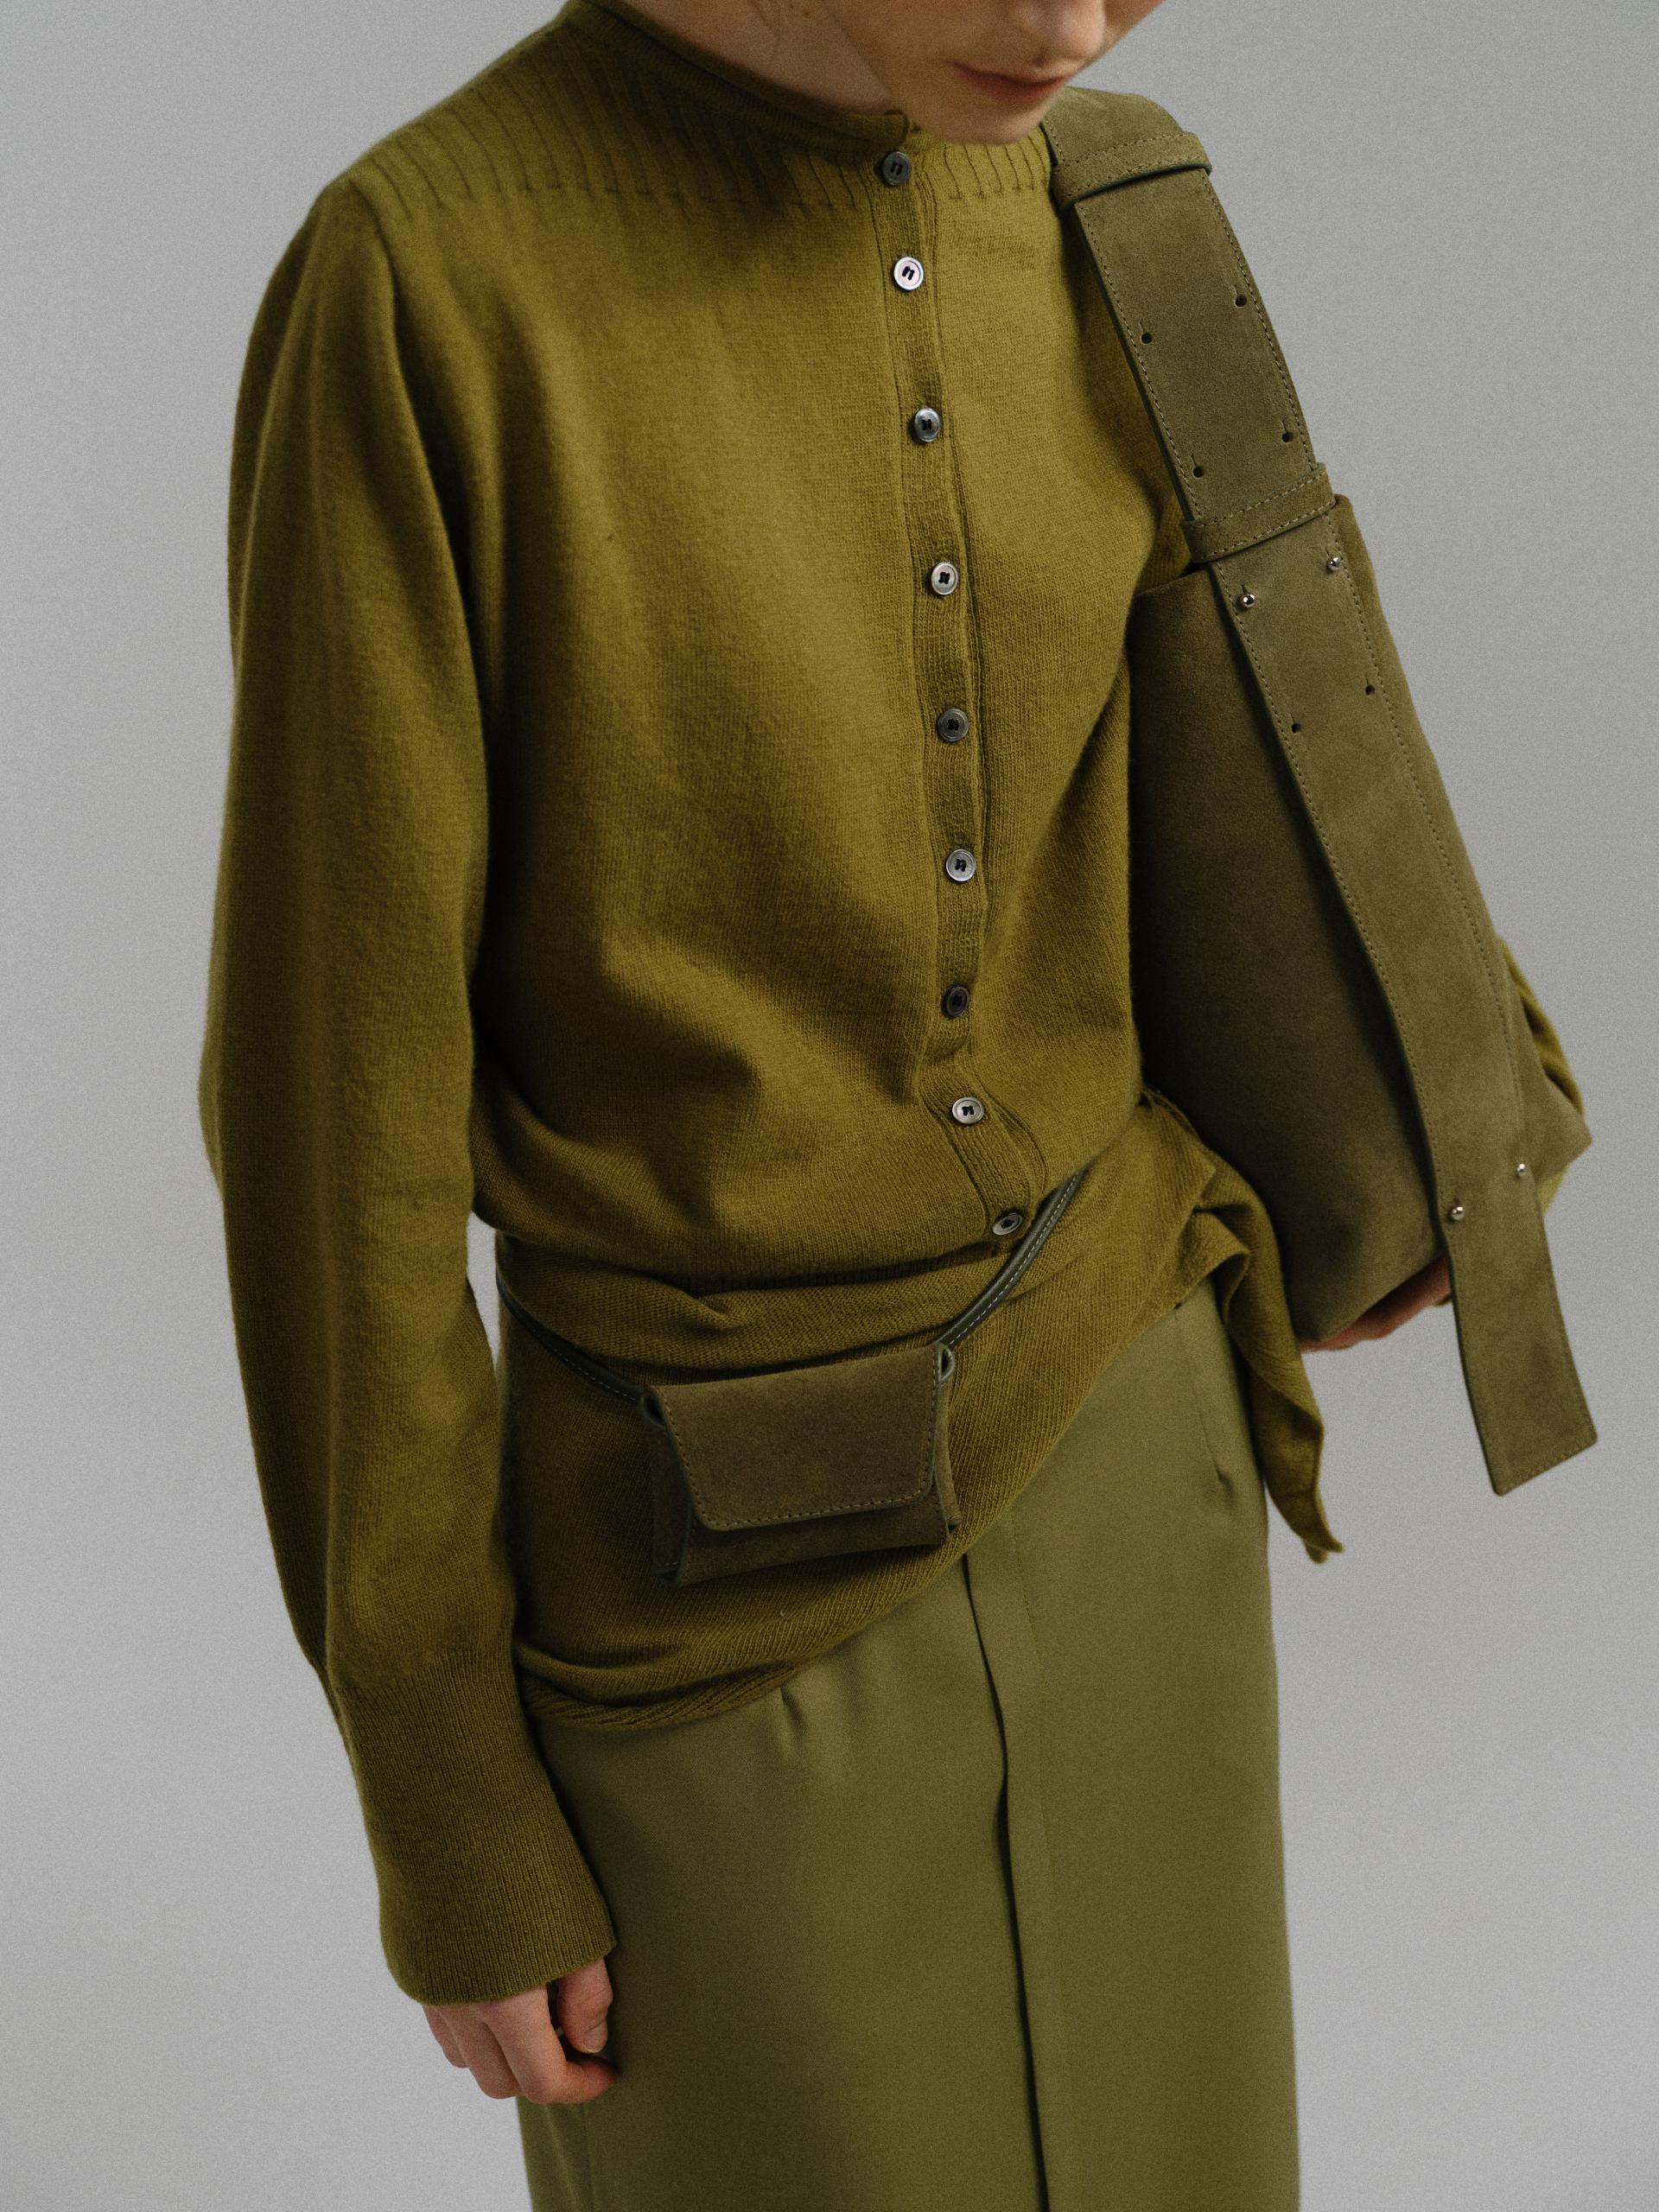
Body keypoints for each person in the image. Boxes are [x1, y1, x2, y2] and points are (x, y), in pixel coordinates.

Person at [197, 1, 1586, 2205]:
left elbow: (1229, 762)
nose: (1067, 21)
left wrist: (1402, 1144)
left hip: (1138, 1457)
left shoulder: (1111, 197)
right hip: (702, 1592)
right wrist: (447, 1793)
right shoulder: (429, 278)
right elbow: (332, 1116)